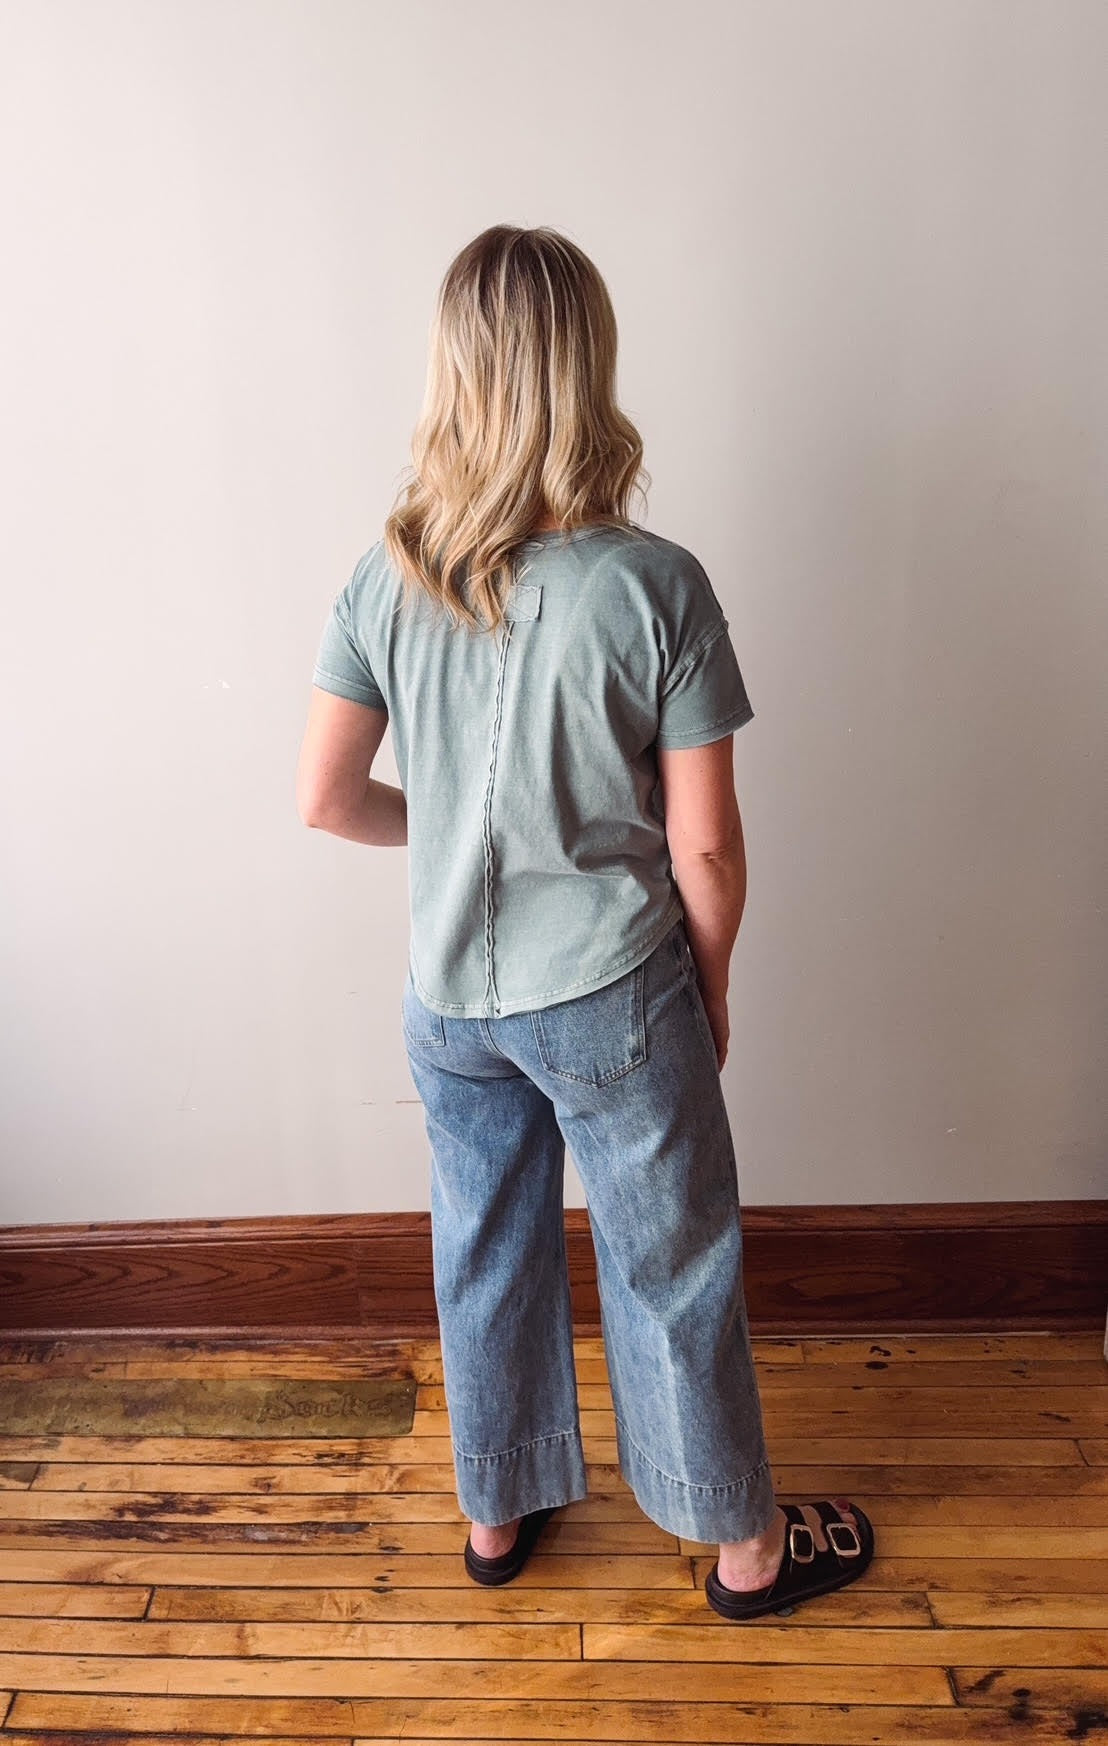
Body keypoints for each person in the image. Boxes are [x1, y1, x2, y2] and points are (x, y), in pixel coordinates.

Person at [297, 224, 874, 1620]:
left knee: (483, 1246)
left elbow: (325, 798)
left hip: (449, 1004)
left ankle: (496, 1515)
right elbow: (709, 844)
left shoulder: (389, 572)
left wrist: (463, 843)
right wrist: (713, 980)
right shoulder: (655, 584)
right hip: (615, 990)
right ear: (586, 372)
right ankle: (744, 1551)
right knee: (673, 1261)